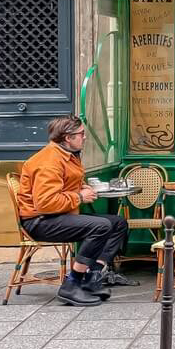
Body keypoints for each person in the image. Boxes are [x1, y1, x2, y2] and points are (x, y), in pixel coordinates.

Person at [16, 115, 129, 307]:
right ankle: (71, 284)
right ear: (68, 137)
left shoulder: (65, 155)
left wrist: (81, 188)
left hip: (59, 216)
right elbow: (46, 203)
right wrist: (79, 197)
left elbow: (66, 184)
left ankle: (90, 279)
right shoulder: (49, 161)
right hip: (41, 221)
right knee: (100, 226)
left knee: (118, 224)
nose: (84, 137)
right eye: (81, 134)